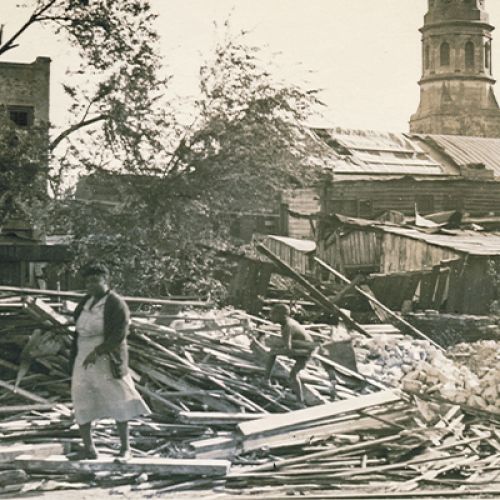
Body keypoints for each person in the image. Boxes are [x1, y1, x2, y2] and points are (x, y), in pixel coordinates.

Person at [70, 263, 150, 460]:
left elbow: (119, 334)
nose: (90, 285)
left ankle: (125, 448)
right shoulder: (86, 302)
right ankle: (89, 448)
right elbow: (77, 329)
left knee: (118, 398)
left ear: (105, 281)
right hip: (83, 355)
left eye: (95, 281)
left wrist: (98, 352)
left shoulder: (115, 304)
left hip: (107, 357)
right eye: (87, 282)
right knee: (81, 397)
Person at [264, 304, 315, 405]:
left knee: (273, 355)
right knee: (293, 374)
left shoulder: (288, 326)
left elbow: (288, 349)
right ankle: (299, 400)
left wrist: (278, 351)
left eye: (273, 314)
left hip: (304, 352)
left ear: (282, 315)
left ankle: (266, 380)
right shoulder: (287, 323)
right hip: (304, 348)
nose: (271, 317)